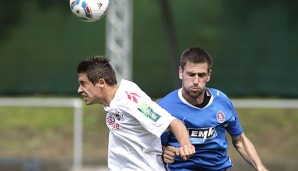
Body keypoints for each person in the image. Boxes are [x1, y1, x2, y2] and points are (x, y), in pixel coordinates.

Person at [77, 56, 195, 170]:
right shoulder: (113, 103)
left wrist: (186, 145)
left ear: (101, 82)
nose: (79, 89)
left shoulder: (131, 102)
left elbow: (173, 123)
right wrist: (163, 150)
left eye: (83, 83)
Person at [159, 47, 268, 171]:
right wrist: (166, 152)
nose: (195, 81)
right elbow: (154, 147)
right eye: (191, 74)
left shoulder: (221, 101)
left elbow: (240, 140)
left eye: (201, 75)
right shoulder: (164, 106)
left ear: (209, 75)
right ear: (180, 72)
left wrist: (260, 167)